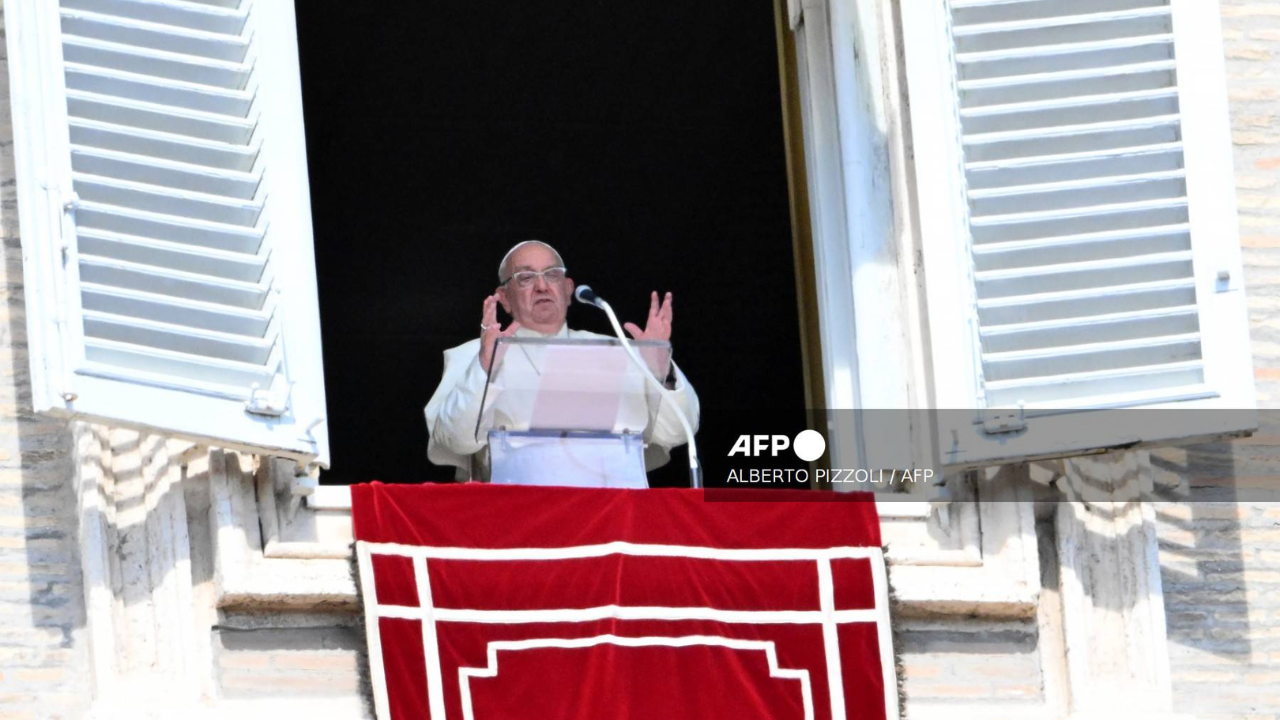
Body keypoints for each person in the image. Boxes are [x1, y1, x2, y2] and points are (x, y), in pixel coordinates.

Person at [425, 240, 700, 481]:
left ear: (568, 290)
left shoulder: (617, 351)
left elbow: (674, 434)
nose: (542, 286)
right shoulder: (473, 355)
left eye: (552, 275)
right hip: (514, 515)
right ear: (505, 299)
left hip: (611, 513)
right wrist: (485, 368)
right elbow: (456, 440)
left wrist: (659, 370)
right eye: (525, 277)